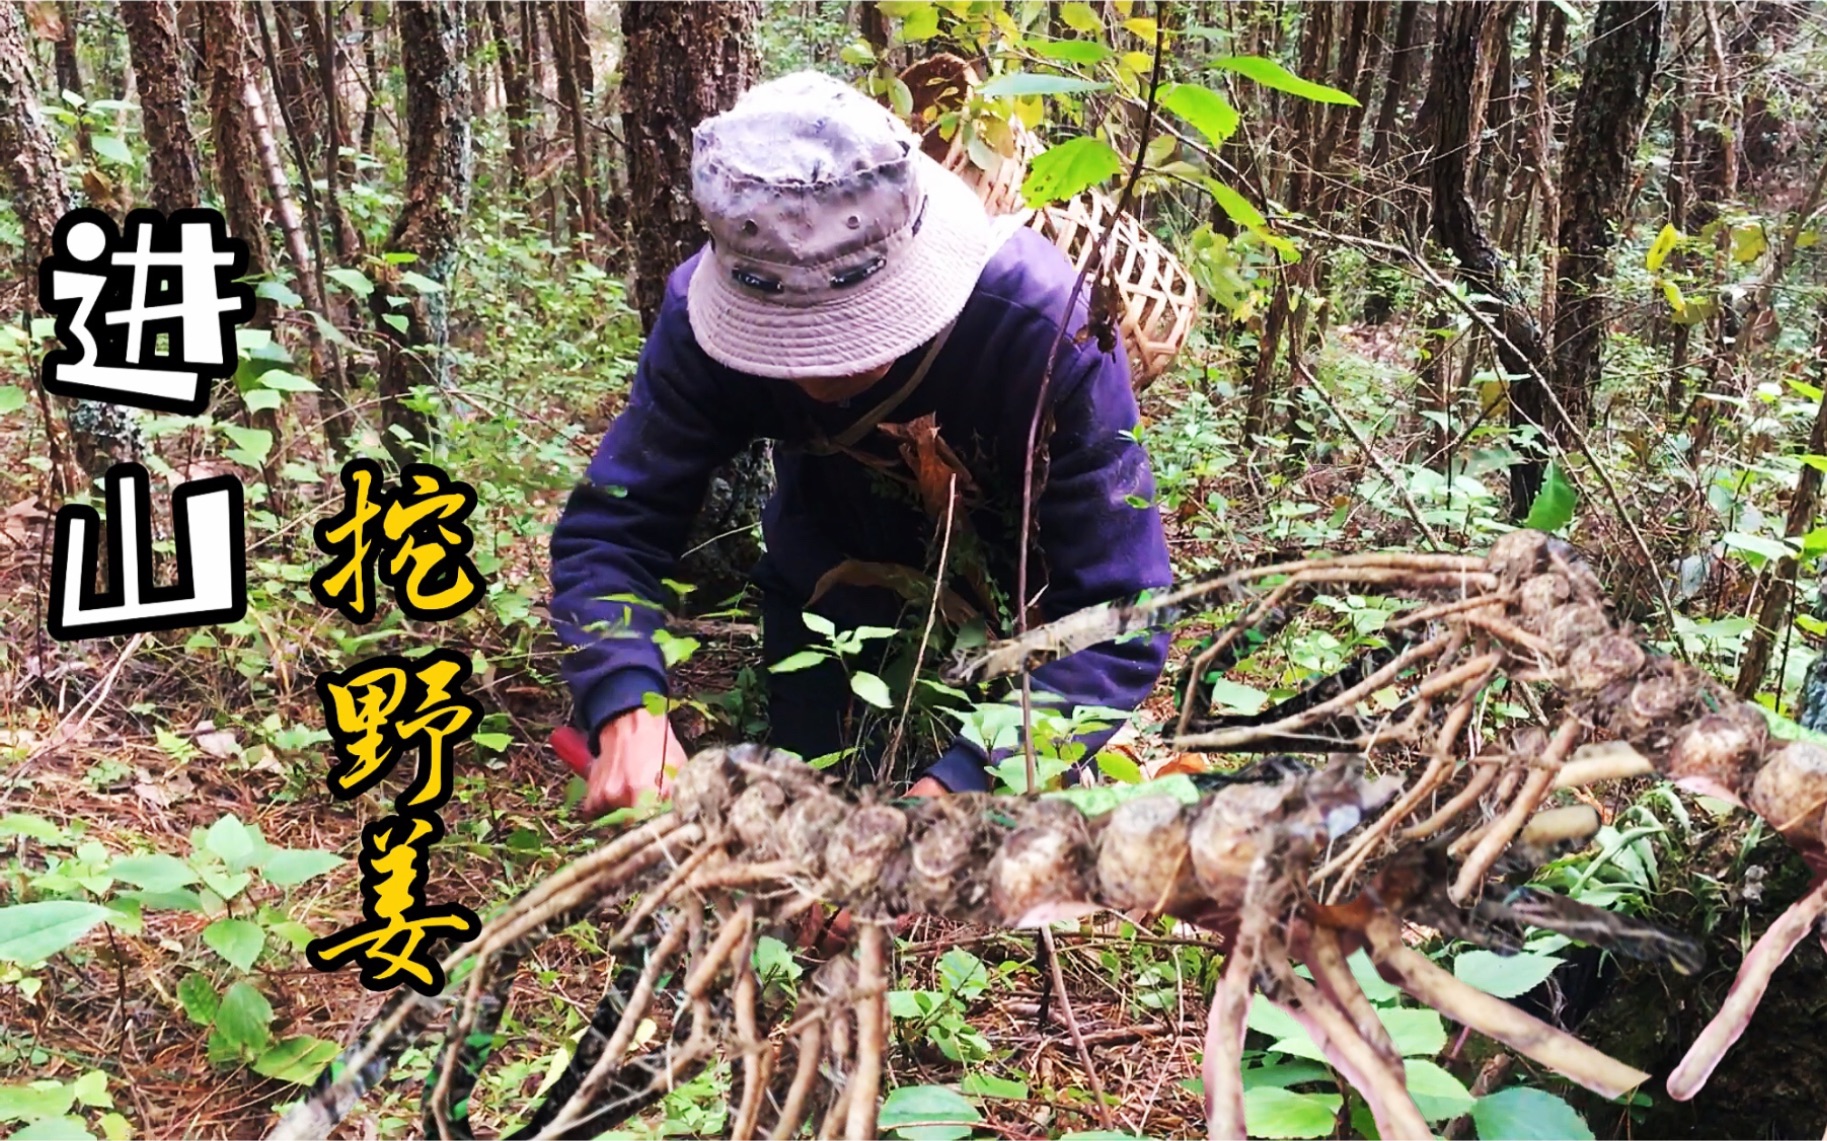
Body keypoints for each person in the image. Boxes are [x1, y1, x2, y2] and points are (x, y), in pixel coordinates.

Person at [549, 70, 1172, 819]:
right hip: (825, 561)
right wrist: (625, 699)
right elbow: (617, 523)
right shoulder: (696, 321)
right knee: (805, 783)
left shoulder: (1042, 327)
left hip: (1015, 584)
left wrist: (963, 788)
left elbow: (1120, 609)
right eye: (784, 344)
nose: (820, 370)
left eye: (852, 330)